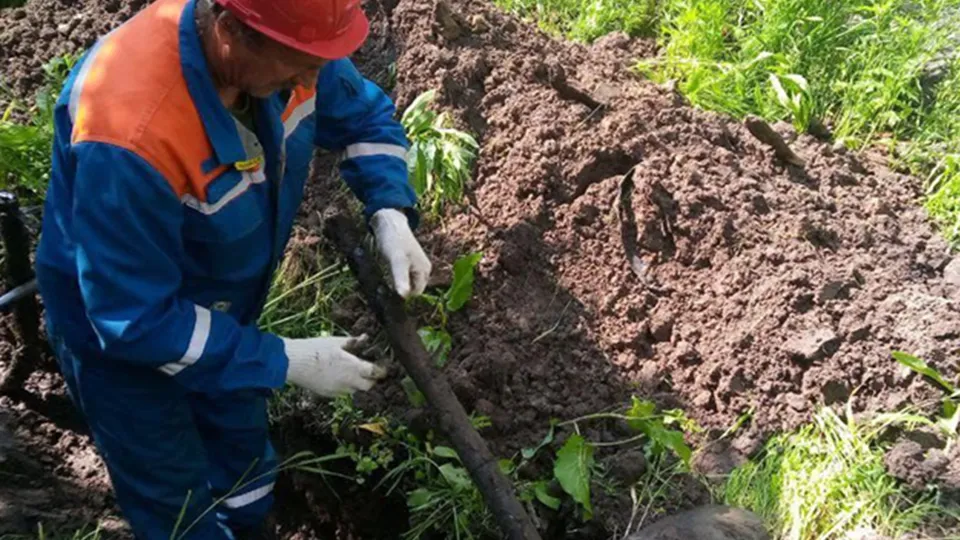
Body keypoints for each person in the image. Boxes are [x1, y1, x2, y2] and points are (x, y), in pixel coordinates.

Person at [33, 0, 432, 537]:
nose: (316, 77)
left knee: (243, 465)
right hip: (120, 338)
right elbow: (134, 318)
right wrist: (281, 359)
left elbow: (363, 116)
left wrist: (389, 210)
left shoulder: (291, 42)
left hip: (222, 313)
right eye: (300, 64)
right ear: (229, 32)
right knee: (176, 501)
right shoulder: (129, 133)